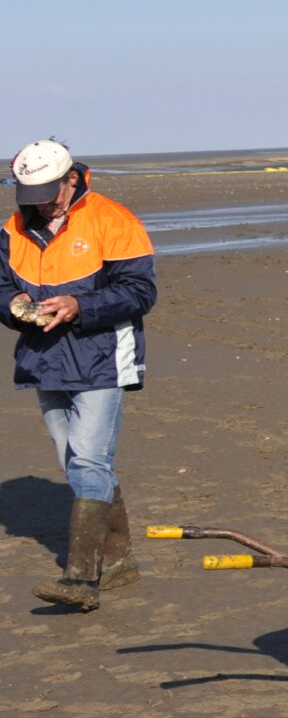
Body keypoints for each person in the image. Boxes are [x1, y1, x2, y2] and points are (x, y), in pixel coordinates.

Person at [4, 140, 158, 611]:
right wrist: (13, 308)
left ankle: (81, 576)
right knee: (75, 460)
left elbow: (140, 291)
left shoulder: (113, 219)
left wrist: (78, 305)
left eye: (47, 191)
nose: (38, 202)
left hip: (102, 355)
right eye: (28, 193)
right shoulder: (13, 228)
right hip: (44, 357)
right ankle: (118, 560)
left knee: (89, 458)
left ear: (72, 178)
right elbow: (1, 285)